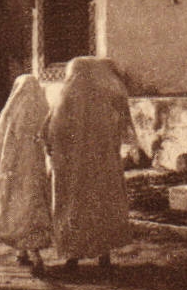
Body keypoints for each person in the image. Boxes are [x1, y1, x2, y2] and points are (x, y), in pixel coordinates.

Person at [44, 56, 134, 269]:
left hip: (72, 171)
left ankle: (72, 255)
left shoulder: (63, 100)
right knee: (100, 205)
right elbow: (120, 131)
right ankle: (104, 254)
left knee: (74, 207)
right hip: (101, 168)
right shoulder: (106, 102)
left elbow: (49, 132)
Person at [0, 74, 52, 272]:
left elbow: (1, 141)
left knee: (17, 209)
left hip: (15, 169)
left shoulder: (12, 111)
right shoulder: (42, 108)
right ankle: (28, 253)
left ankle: (30, 254)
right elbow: (49, 135)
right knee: (32, 208)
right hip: (36, 168)